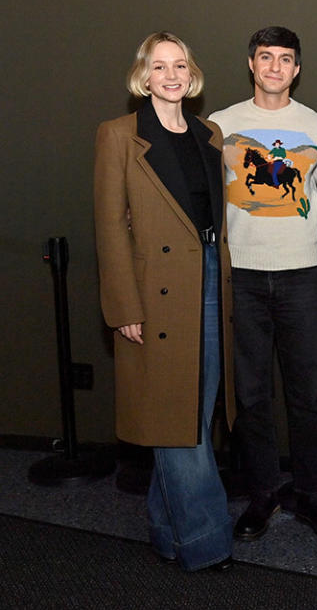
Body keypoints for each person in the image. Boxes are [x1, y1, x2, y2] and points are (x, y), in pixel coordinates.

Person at [93, 32, 234, 572]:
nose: (171, 75)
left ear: (191, 74)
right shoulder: (119, 136)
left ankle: (165, 530)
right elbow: (110, 227)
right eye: (159, 66)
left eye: (180, 65)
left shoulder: (210, 134)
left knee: (191, 413)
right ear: (143, 76)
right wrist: (124, 306)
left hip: (208, 284)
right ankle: (206, 540)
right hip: (154, 295)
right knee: (176, 418)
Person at [207, 26, 317, 544]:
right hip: (240, 276)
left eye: (284, 59)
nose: (274, 67)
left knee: (307, 393)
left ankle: (311, 494)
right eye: (265, 57)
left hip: (301, 275)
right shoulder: (219, 126)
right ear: (251, 64)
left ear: (297, 68)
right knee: (251, 393)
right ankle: (262, 492)